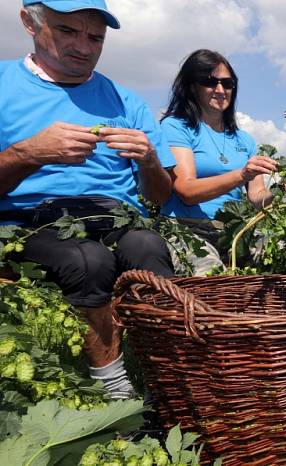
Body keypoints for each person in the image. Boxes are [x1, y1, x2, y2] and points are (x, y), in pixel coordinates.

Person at [0, 0, 176, 399]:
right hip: (28, 220)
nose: (84, 46)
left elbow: (160, 195)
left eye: (95, 37)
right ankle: (116, 392)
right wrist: (28, 153)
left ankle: (168, 381)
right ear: (29, 22)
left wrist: (149, 161)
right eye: (67, 31)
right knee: (87, 261)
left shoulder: (124, 100)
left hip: (113, 215)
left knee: (148, 245)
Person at [160, 49, 286, 276]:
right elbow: (186, 190)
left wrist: (280, 189)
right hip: (185, 228)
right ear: (191, 86)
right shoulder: (176, 127)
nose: (220, 90)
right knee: (209, 274)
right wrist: (241, 175)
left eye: (227, 83)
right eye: (210, 82)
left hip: (234, 231)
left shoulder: (244, 140)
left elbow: (257, 197)